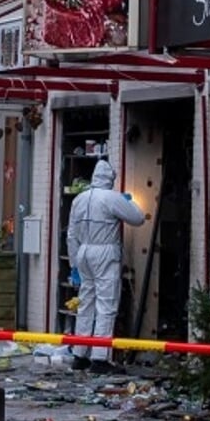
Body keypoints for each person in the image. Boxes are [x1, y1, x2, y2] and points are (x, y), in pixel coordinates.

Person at [66, 160, 147, 374]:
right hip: (104, 253)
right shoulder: (112, 198)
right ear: (110, 179)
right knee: (106, 304)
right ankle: (100, 358)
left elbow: (71, 234)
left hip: (83, 252)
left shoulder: (79, 199)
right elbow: (138, 219)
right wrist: (128, 200)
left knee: (86, 304)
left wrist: (74, 264)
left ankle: (79, 354)